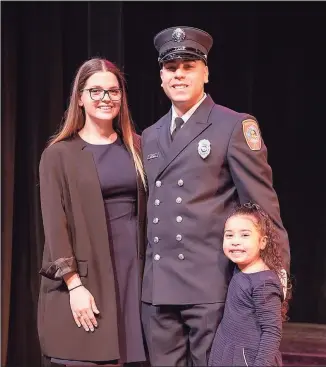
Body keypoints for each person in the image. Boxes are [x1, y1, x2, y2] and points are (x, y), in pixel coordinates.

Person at [140, 26, 290, 366]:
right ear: (161, 76)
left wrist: (275, 278)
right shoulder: (149, 136)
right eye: (171, 68)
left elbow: (263, 207)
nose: (179, 75)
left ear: (205, 72)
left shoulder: (232, 126)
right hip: (158, 290)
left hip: (210, 287)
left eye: (188, 66)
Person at [38, 58, 147, 367]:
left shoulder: (139, 147)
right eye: (95, 91)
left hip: (135, 277)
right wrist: (74, 286)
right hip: (87, 279)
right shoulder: (59, 155)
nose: (105, 99)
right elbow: (55, 226)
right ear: (81, 98)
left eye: (113, 91)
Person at [208, 203, 291, 366]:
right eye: (229, 235)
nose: (235, 242)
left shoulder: (264, 283)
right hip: (228, 353)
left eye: (245, 235)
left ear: (262, 242)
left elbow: (272, 332)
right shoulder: (239, 269)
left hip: (248, 359)